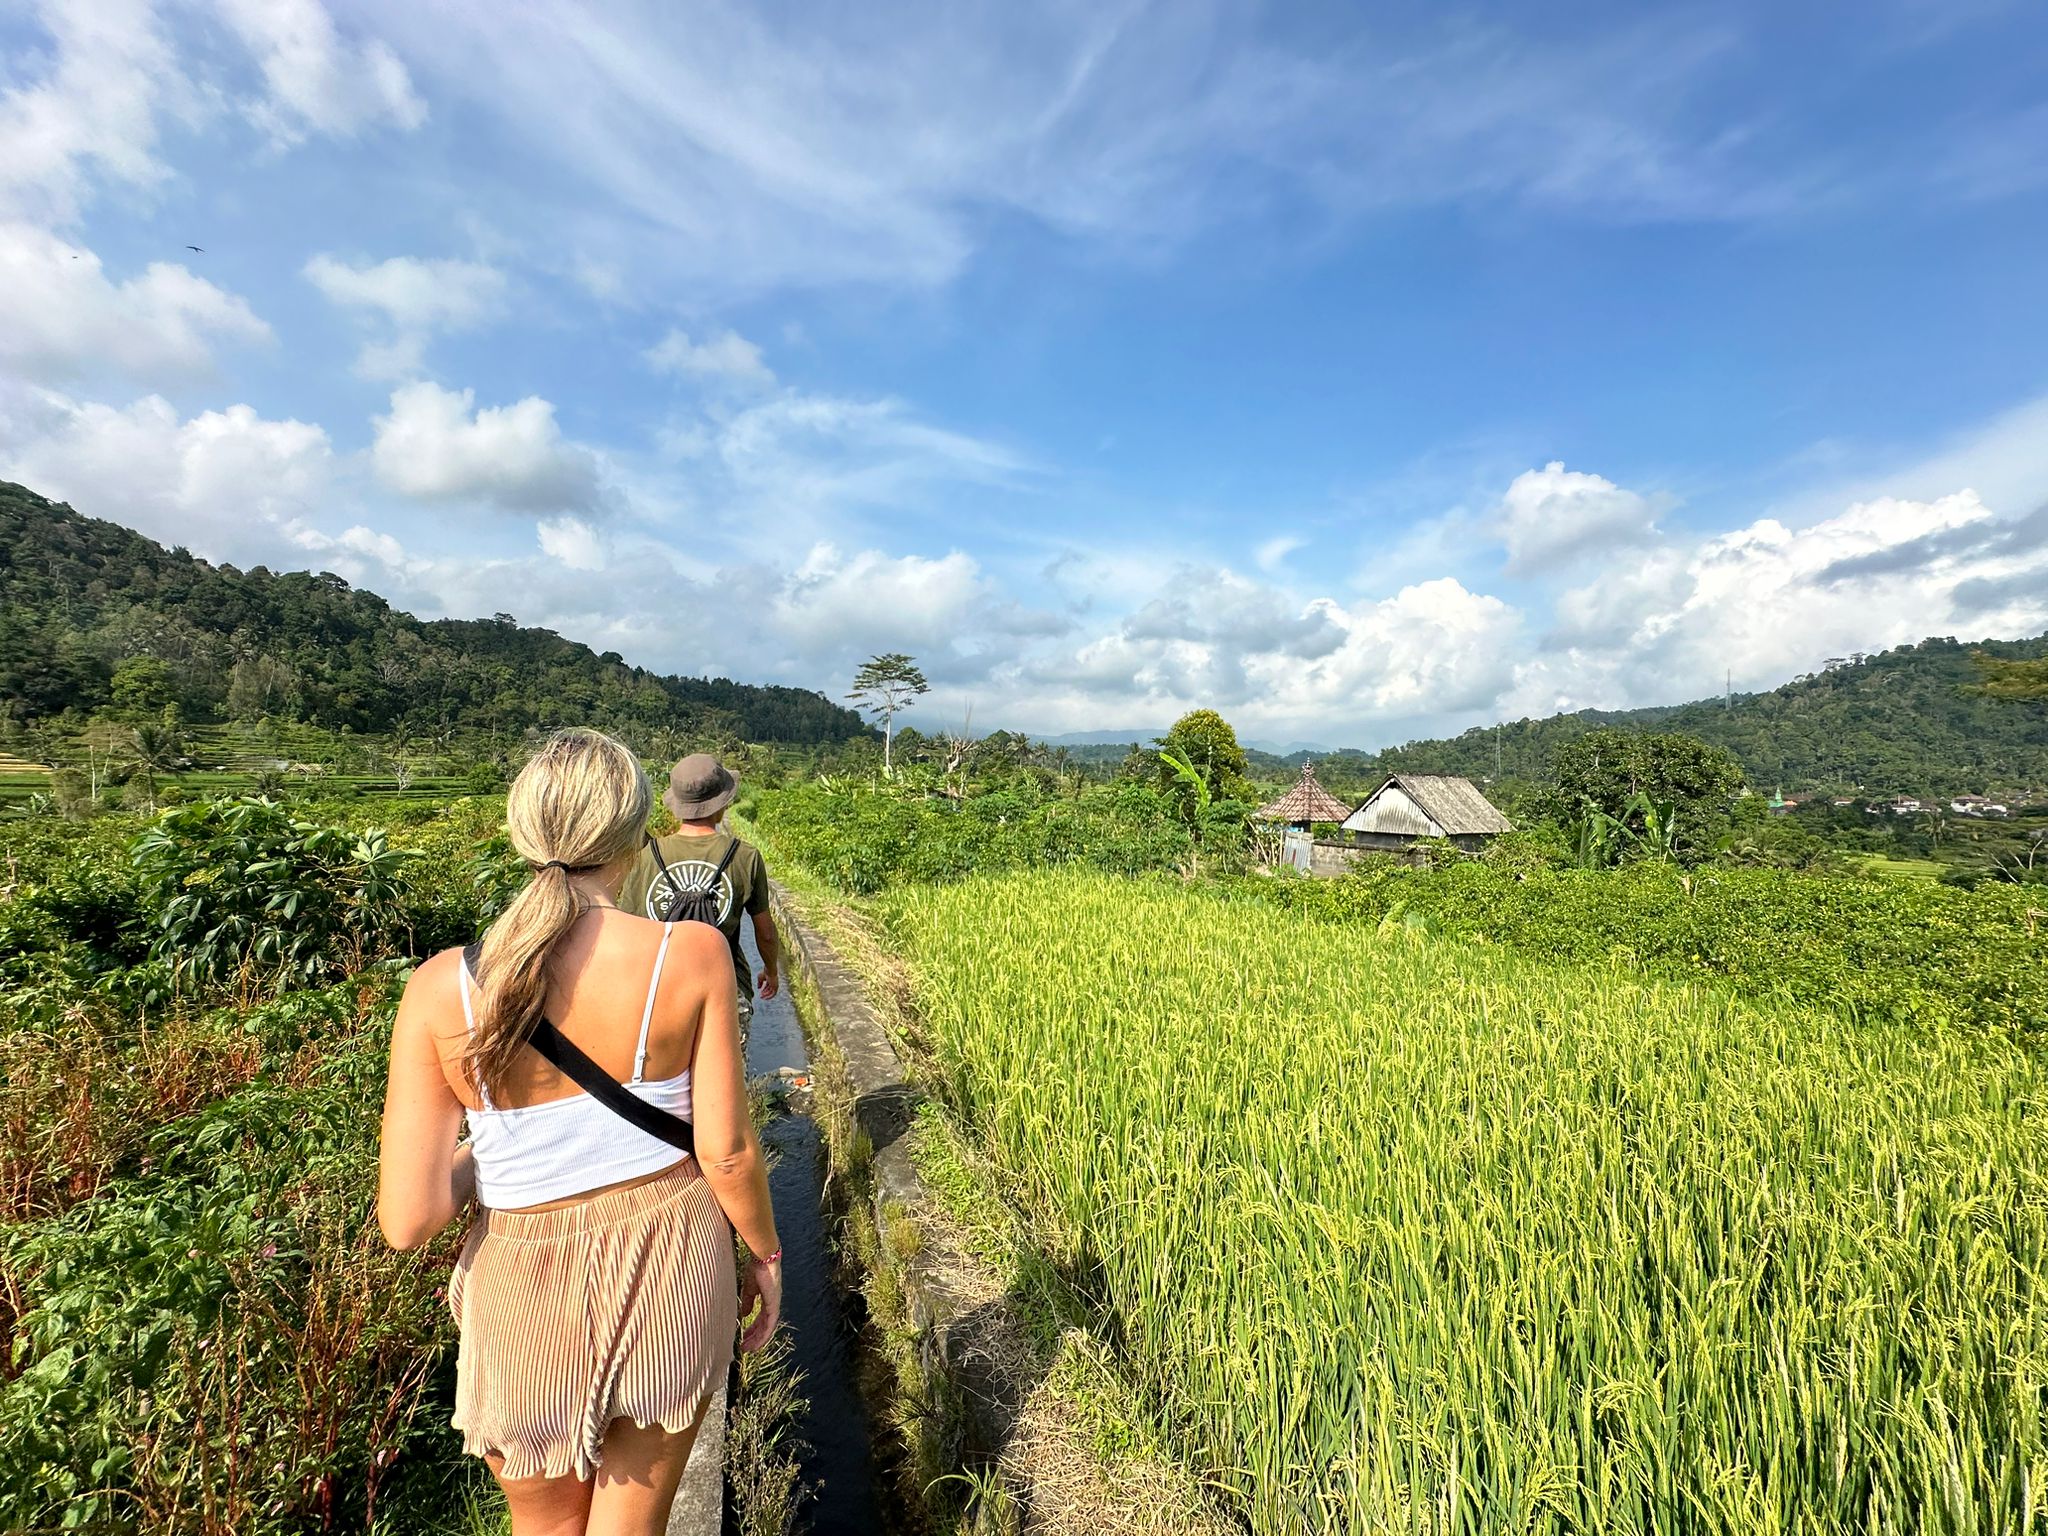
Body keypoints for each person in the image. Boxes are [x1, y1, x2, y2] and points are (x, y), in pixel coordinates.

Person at [377, 728, 781, 1536]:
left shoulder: (439, 988)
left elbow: (409, 1218)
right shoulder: (690, 955)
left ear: (522, 834)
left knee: (545, 1526)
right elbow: (727, 1151)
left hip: (517, 1279)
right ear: (636, 834)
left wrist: (501, 1149)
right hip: (667, 1254)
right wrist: (767, 1258)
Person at [620, 753, 779, 1028]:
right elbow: (764, 933)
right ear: (722, 803)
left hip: (658, 991)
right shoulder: (745, 856)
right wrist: (771, 970)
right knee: (726, 1070)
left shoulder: (648, 854)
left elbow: (627, 927)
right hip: (725, 987)